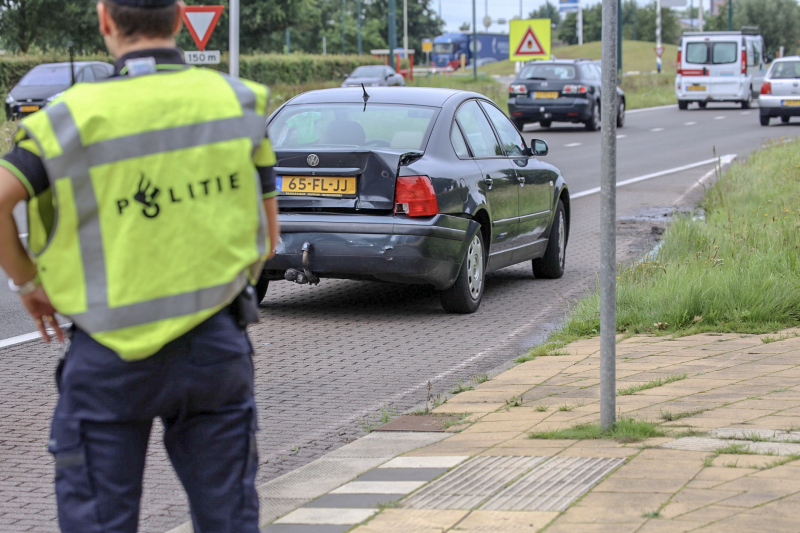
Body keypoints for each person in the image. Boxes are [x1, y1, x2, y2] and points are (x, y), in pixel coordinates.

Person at [0, 0, 280, 531]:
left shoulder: (68, 118)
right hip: (214, 347)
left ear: (105, 19)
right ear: (178, 18)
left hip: (107, 354)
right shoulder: (237, 103)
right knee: (228, 520)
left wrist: (28, 283)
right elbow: (268, 239)